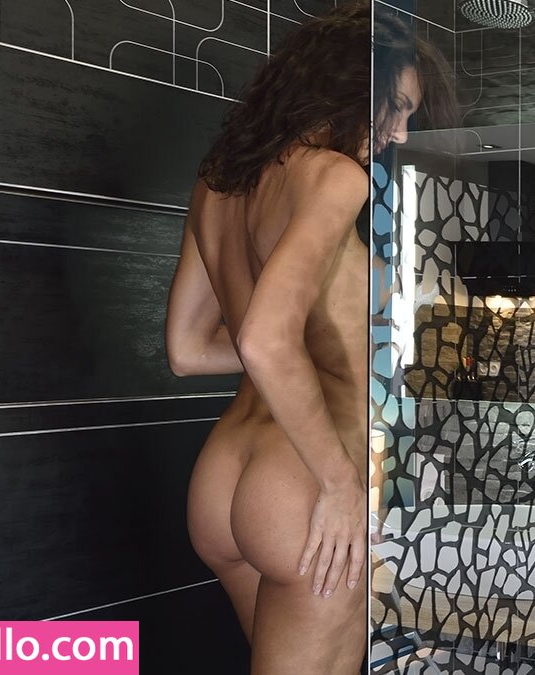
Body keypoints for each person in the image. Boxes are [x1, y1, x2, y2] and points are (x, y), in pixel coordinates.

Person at [164, 3, 450, 672]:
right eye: (395, 109)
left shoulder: (220, 180)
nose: (400, 132)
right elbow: (265, 340)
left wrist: (299, 342)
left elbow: (187, 350)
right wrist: (342, 484)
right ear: (346, 88)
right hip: (303, 481)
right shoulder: (335, 177)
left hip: (226, 470)